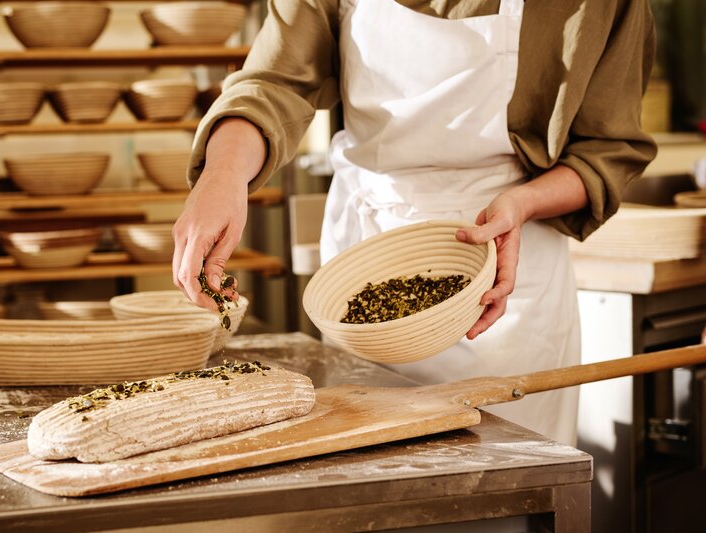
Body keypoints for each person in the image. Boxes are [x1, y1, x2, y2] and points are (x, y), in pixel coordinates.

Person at [172, 0, 657, 444]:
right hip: (366, 251)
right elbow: (274, 83)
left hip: (505, 262)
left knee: (510, 475)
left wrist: (522, 203)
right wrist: (223, 173)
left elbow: (607, 150)